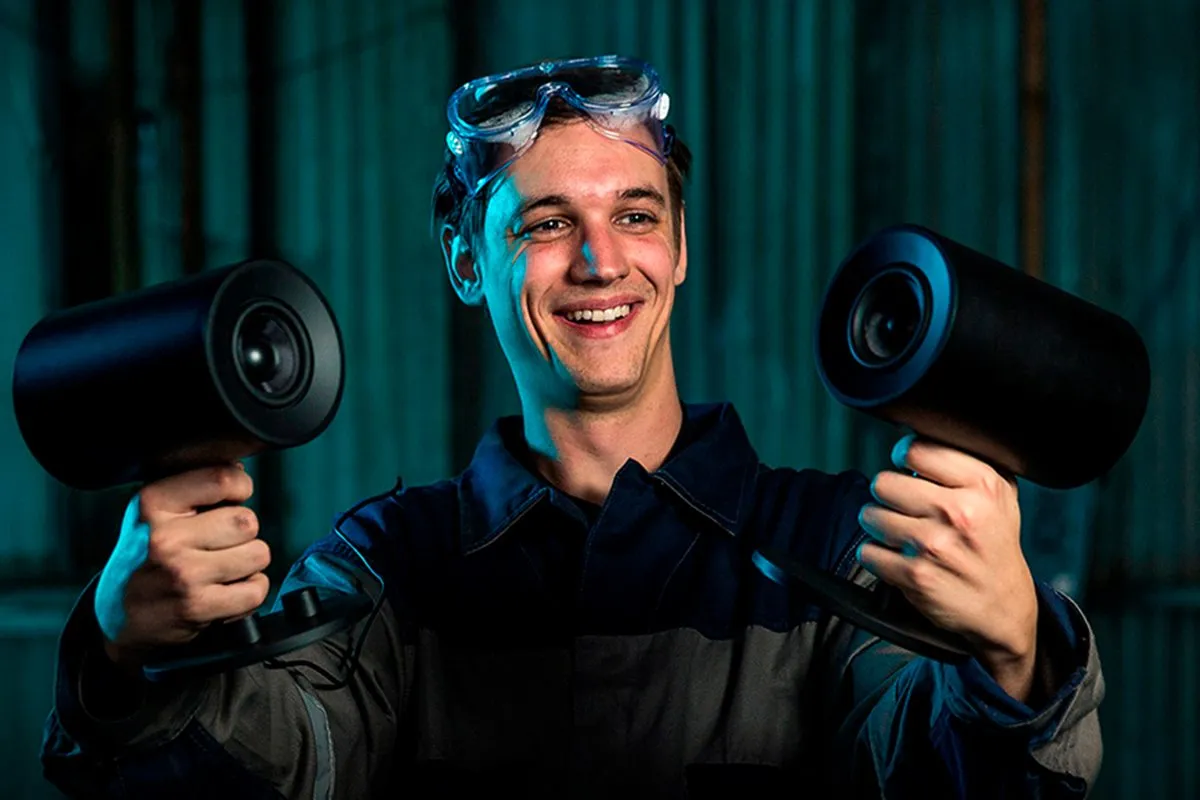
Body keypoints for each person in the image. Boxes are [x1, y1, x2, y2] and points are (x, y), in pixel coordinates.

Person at [41, 55, 1103, 798]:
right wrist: (132, 656)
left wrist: (1015, 655)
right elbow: (276, 771)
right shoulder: (390, 567)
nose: (600, 261)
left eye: (635, 215)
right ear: (467, 261)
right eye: (548, 224)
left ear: (677, 248)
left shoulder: (835, 551)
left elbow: (929, 773)